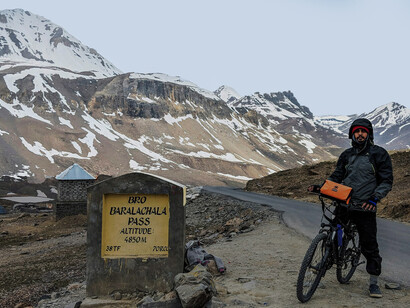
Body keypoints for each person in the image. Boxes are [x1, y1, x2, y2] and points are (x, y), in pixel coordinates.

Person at [309, 118, 393, 298]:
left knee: (369, 245)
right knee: (332, 231)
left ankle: (373, 282)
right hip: (344, 203)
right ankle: (326, 260)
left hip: (365, 207)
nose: (360, 134)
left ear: (368, 134)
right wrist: (322, 187)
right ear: (352, 134)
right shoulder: (346, 155)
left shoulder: (379, 154)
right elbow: (337, 176)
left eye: (363, 131)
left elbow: (386, 180)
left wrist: (374, 198)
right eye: (357, 131)